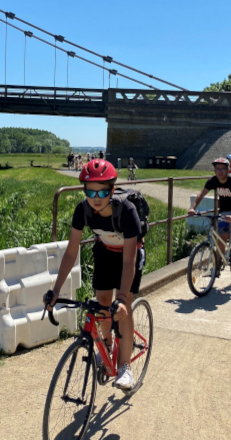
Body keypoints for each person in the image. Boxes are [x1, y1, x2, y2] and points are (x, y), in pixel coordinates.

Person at [45, 159, 144, 390]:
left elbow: (129, 262)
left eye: (103, 191)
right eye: (90, 191)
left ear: (112, 189)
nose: (96, 197)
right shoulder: (83, 210)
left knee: (123, 308)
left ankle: (125, 367)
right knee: (101, 302)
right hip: (105, 251)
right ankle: (107, 345)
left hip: (129, 256)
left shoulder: (127, 211)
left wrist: (121, 299)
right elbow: (71, 253)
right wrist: (56, 290)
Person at [187, 158, 231, 276]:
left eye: (223, 169)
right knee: (221, 239)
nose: (220, 172)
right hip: (225, 211)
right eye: (217, 169)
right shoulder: (213, 181)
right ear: (214, 170)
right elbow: (201, 194)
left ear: (228, 170)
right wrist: (192, 208)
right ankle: (216, 269)